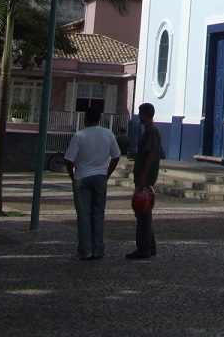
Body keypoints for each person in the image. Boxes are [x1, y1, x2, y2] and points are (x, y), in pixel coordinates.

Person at [64, 106, 121, 261]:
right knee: (98, 213)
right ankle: (98, 249)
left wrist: (72, 176)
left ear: (86, 119)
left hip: (82, 175)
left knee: (83, 214)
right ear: (100, 118)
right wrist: (107, 173)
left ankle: (85, 250)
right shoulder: (108, 134)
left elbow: (69, 159)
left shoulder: (80, 135)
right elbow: (116, 156)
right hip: (101, 175)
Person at [127, 102, 162, 260]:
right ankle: (150, 245)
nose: (139, 117)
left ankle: (143, 248)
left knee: (143, 213)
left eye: (140, 113)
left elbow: (152, 154)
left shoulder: (152, 131)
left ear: (145, 114)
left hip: (145, 179)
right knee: (144, 212)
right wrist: (137, 156)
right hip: (144, 177)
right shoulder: (149, 131)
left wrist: (143, 175)